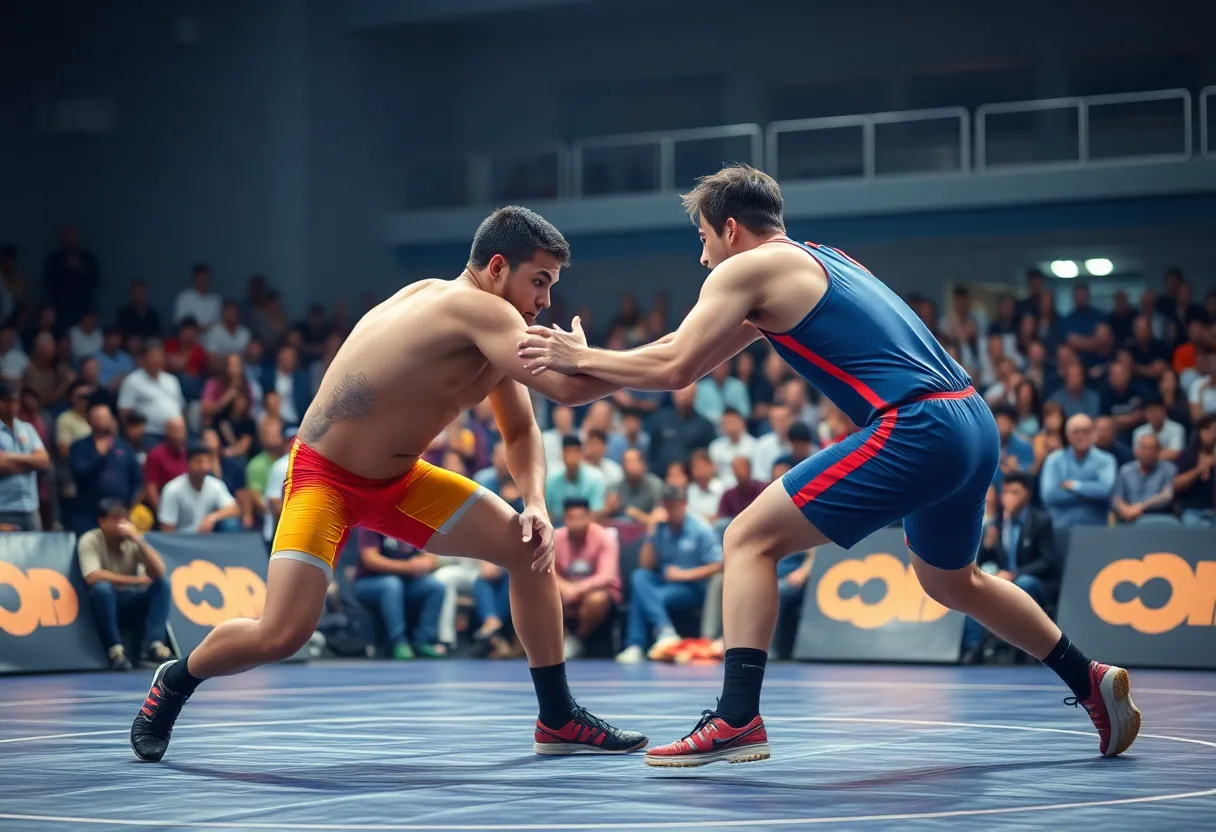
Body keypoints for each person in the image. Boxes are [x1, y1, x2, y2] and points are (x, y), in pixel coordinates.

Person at [518, 164, 1140, 766]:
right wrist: (581, 371)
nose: (703, 257)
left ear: (730, 229)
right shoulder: (817, 258)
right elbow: (678, 354)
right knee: (953, 582)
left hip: (917, 426)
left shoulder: (749, 267)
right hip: (971, 421)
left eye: (704, 239)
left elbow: (676, 368)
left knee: (748, 539)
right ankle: (1089, 679)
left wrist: (583, 355)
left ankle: (737, 719)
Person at [129, 206, 646, 762]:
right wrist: (631, 362)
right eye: (538, 281)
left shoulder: (488, 323)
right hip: (323, 479)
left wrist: (536, 503)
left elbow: (520, 428)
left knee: (529, 545)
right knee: (281, 634)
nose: (545, 301)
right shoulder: (473, 309)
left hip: (399, 481)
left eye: (550, 286)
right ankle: (177, 678)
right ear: (498, 267)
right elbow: (569, 391)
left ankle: (558, 716)